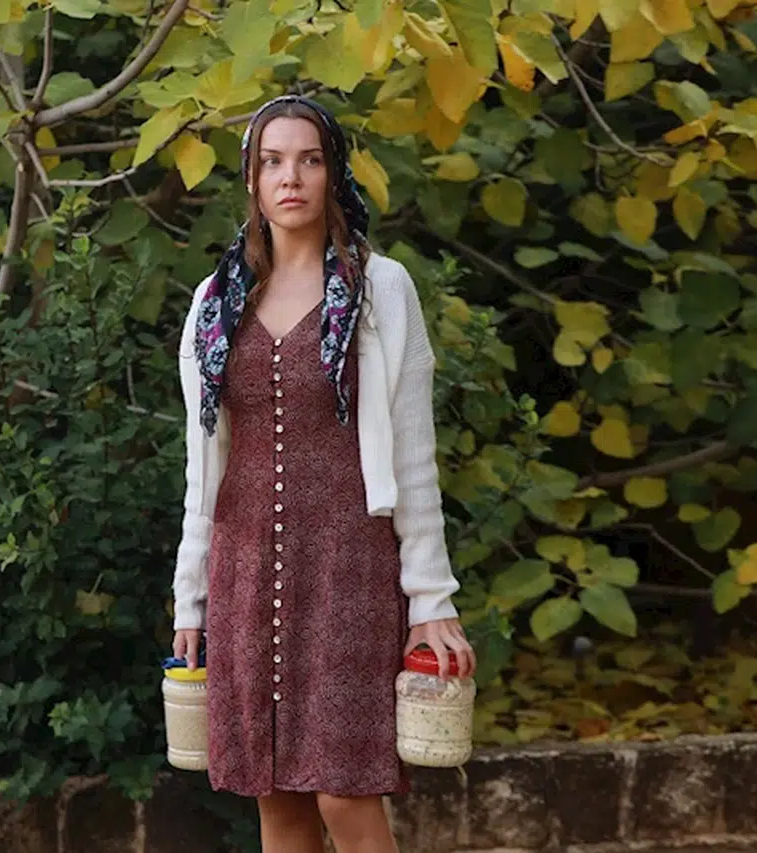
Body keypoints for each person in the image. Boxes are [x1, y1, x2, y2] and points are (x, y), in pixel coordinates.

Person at [170, 95, 476, 853]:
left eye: (309, 160)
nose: (291, 177)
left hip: (348, 565)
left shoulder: (381, 291)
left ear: (333, 174)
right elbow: (202, 467)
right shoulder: (214, 304)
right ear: (251, 177)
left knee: (344, 792)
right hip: (245, 567)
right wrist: (190, 598)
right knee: (276, 798)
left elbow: (413, 455)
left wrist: (431, 599)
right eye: (273, 161)